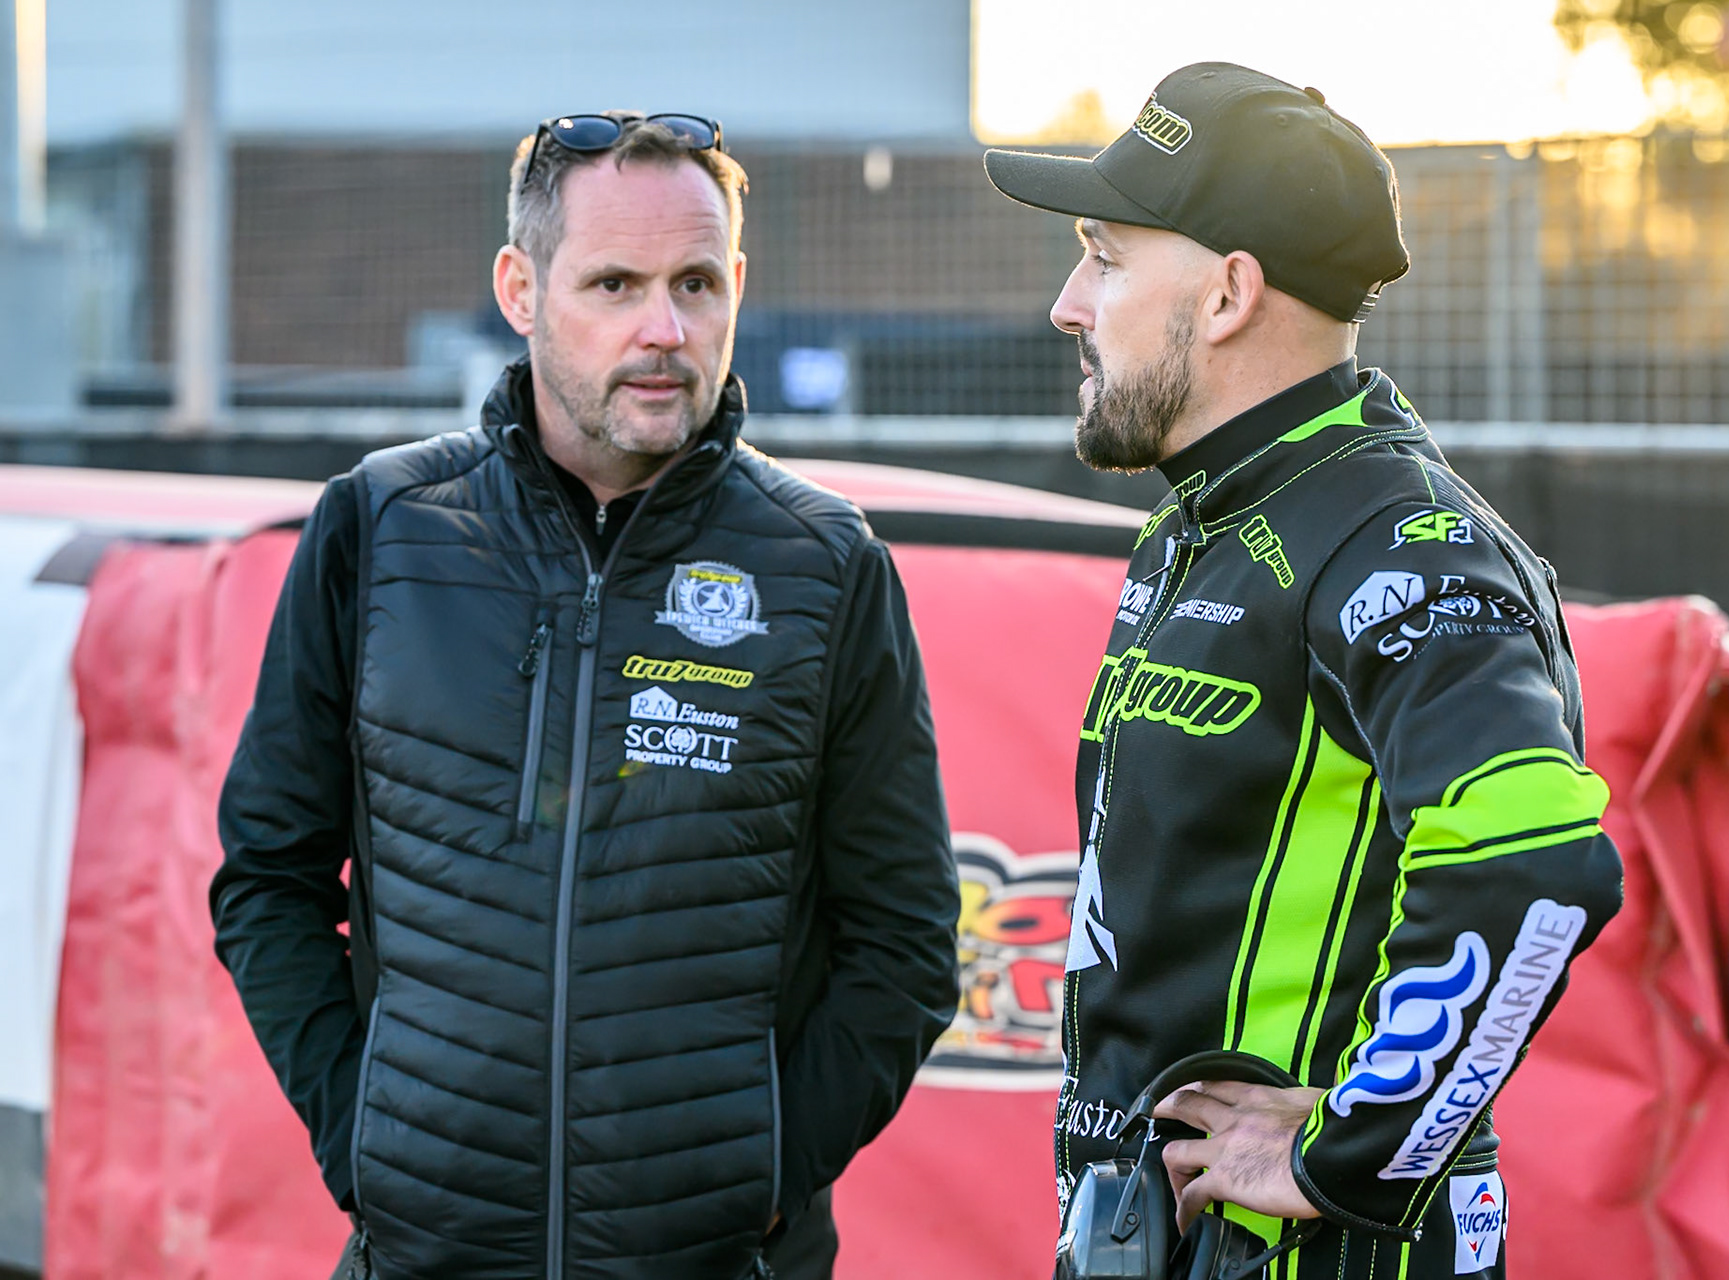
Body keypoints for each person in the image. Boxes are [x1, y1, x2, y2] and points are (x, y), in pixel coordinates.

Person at [211, 111, 960, 1280]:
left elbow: (906, 944)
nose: (664, 330)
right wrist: (367, 1139)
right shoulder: (381, 526)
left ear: (739, 286)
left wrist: (759, 1173)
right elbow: (267, 877)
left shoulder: (824, 562)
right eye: (614, 282)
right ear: (520, 286)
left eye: (697, 284)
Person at [984, 65, 1623, 1277]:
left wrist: (1354, 1151)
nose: (1070, 303)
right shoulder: (1203, 522)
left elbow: (1537, 858)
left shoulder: (1399, 541)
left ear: (1228, 293)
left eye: (1105, 257)